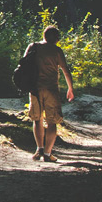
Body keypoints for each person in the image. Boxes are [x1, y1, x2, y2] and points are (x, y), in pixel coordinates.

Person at [24, 25, 75, 162]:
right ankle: (47, 154)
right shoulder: (57, 51)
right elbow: (65, 70)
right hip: (51, 89)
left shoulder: (33, 47)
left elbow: (23, 64)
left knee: (37, 119)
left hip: (35, 88)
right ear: (57, 39)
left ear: (44, 35)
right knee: (52, 122)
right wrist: (70, 88)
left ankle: (38, 149)